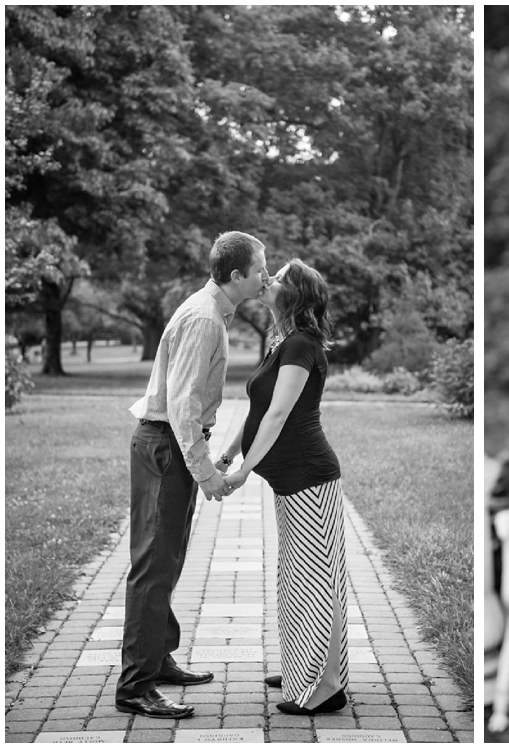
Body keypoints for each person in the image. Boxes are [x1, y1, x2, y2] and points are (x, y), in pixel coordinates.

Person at [116, 231, 269, 719]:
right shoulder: (205, 319)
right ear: (237, 275)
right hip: (165, 446)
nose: (267, 276)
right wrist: (205, 473)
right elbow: (182, 406)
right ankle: (135, 687)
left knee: (167, 560)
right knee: (154, 566)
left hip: (166, 444)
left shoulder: (213, 313)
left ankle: (158, 661)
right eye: (261, 268)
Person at [219, 259, 349, 716]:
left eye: (279, 278)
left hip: (309, 477)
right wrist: (231, 452)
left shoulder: (300, 344)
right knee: (295, 579)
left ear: (293, 296)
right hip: (290, 481)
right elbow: (257, 409)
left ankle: (321, 690)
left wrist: (242, 472)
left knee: (315, 583)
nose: (268, 280)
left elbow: (278, 416)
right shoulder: (281, 342)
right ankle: (301, 668)